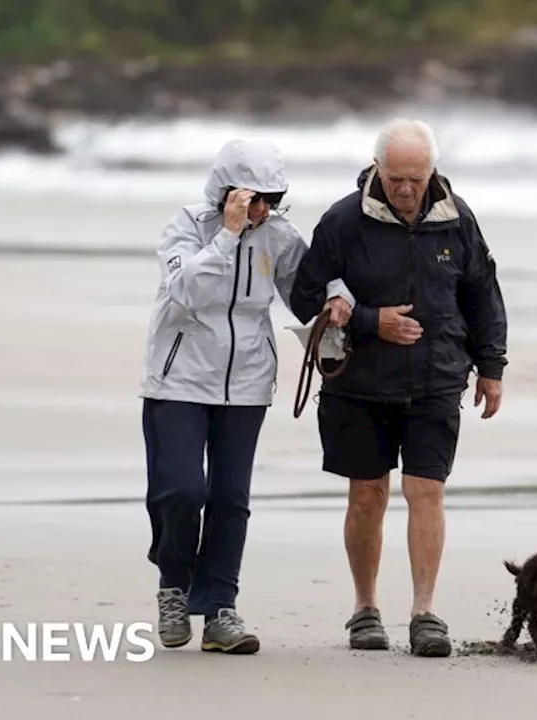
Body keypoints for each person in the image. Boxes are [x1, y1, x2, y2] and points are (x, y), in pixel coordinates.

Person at [288, 118, 508, 657]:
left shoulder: (457, 219)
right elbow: (304, 295)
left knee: (426, 491)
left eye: (416, 177)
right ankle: (366, 609)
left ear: (431, 170)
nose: (406, 190)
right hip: (358, 384)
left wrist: (492, 365)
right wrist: (367, 320)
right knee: (368, 495)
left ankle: (425, 612)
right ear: (377, 168)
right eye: (395, 179)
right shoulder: (343, 221)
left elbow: (483, 292)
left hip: (436, 378)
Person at [140, 138, 353, 654]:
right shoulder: (186, 226)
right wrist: (229, 236)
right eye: (252, 199)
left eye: (271, 200)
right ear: (225, 191)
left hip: (249, 384)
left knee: (231, 499)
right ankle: (173, 585)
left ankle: (219, 611)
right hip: (178, 381)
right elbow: (186, 290)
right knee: (182, 491)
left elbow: (307, 288)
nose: (261, 210)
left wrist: (337, 296)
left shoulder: (278, 234)